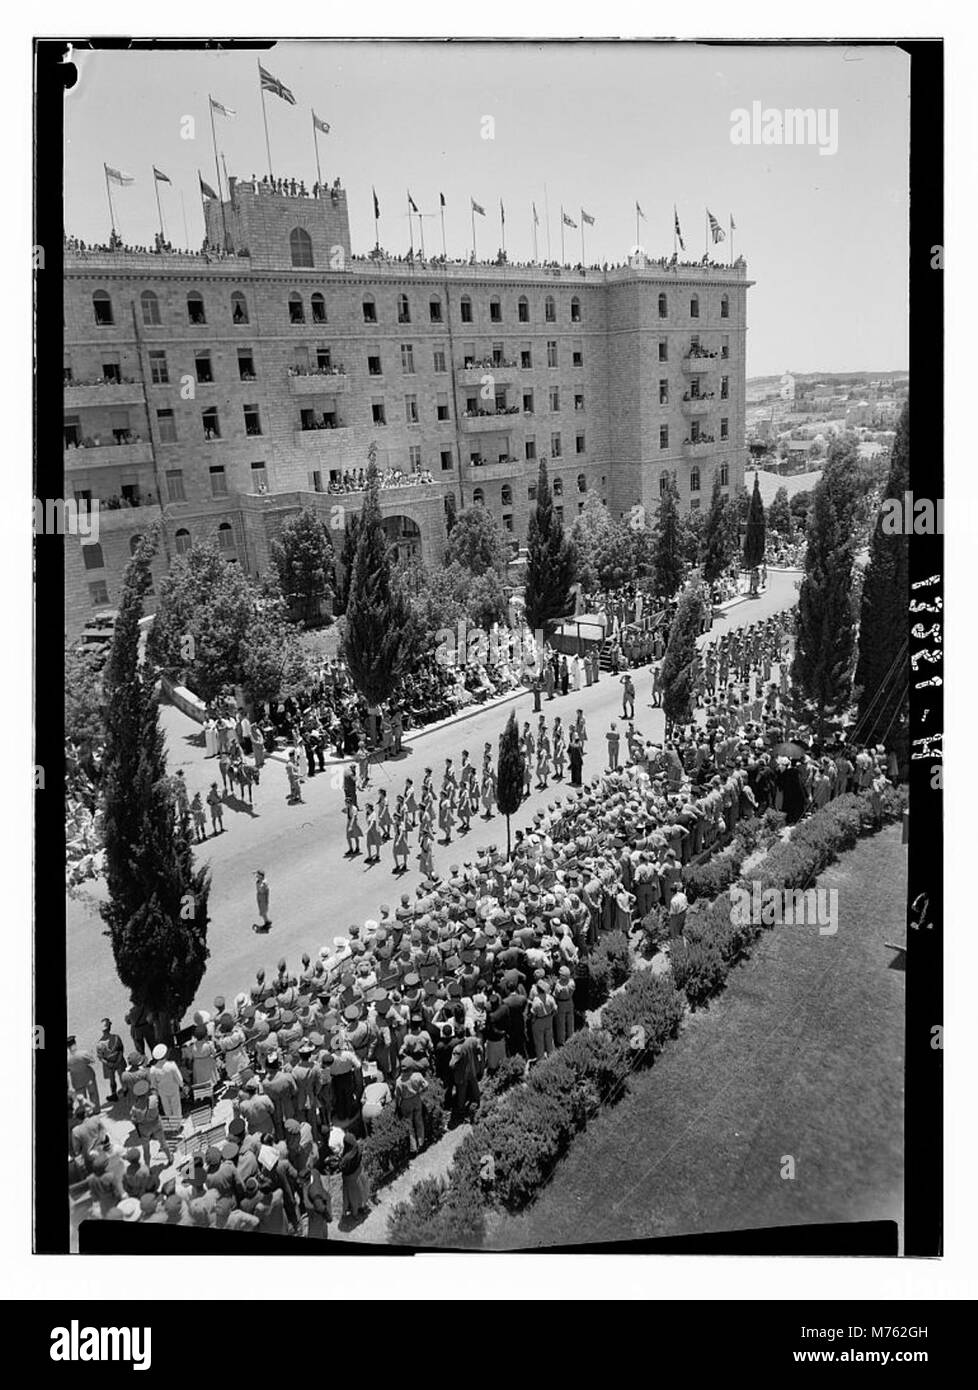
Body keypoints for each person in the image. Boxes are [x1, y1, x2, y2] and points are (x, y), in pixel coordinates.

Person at [95, 1018, 125, 1103]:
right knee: (121, 1075)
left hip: (109, 1064)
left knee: (112, 1079)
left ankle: (114, 1094)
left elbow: (100, 1057)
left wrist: (109, 1063)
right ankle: (125, 1089)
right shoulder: (116, 1037)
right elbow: (121, 1050)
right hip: (118, 1060)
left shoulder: (99, 1044)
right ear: (109, 1027)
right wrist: (118, 1061)